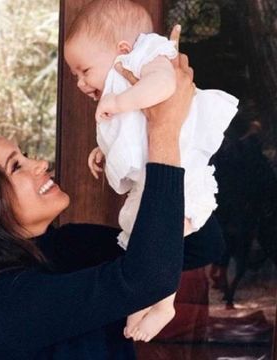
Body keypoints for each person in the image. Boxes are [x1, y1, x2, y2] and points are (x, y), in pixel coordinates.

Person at [0, 50, 224, 358]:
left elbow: (199, 246)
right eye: (16, 166)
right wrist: (163, 130)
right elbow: (147, 278)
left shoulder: (68, 245)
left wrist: (156, 139)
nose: (40, 163)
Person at [63, 0, 237, 340]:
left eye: (85, 71)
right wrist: (105, 150)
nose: (81, 84)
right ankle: (146, 299)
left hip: (182, 175)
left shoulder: (149, 57)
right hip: (155, 177)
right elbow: (134, 134)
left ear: (123, 50)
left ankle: (163, 304)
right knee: (143, 240)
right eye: (74, 76)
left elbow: (164, 86)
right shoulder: (125, 83)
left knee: (161, 238)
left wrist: (119, 102)